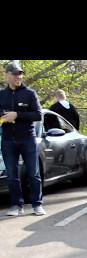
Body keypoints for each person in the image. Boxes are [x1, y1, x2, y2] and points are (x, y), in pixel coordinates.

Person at [0, 61, 45, 216]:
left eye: (20, 74)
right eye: (14, 74)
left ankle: (37, 204)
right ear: (7, 75)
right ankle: (16, 206)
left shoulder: (30, 94)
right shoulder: (1, 95)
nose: (18, 77)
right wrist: (3, 117)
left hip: (27, 139)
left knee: (33, 173)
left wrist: (17, 115)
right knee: (12, 175)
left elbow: (38, 115)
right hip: (7, 140)